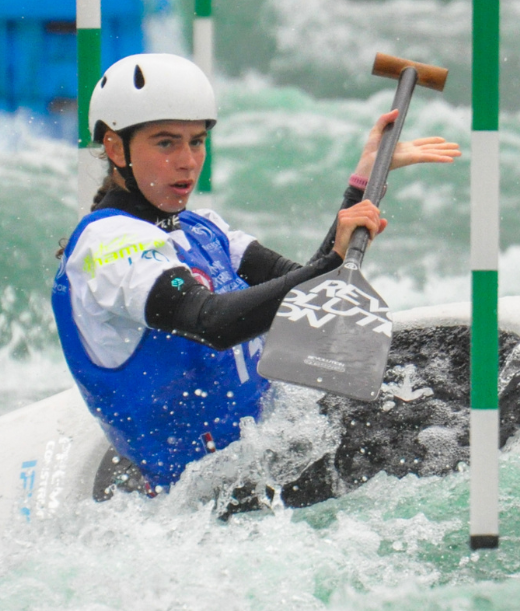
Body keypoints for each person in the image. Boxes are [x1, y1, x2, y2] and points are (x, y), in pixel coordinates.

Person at [52, 53, 459, 493]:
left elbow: (305, 296)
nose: (188, 161)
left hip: (272, 452)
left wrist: (361, 183)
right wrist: (329, 262)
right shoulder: (108, 246)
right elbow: (212, 321)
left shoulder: (202, 229)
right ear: (116, 148)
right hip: (206, 496)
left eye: (197, 141)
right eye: (166, 143)